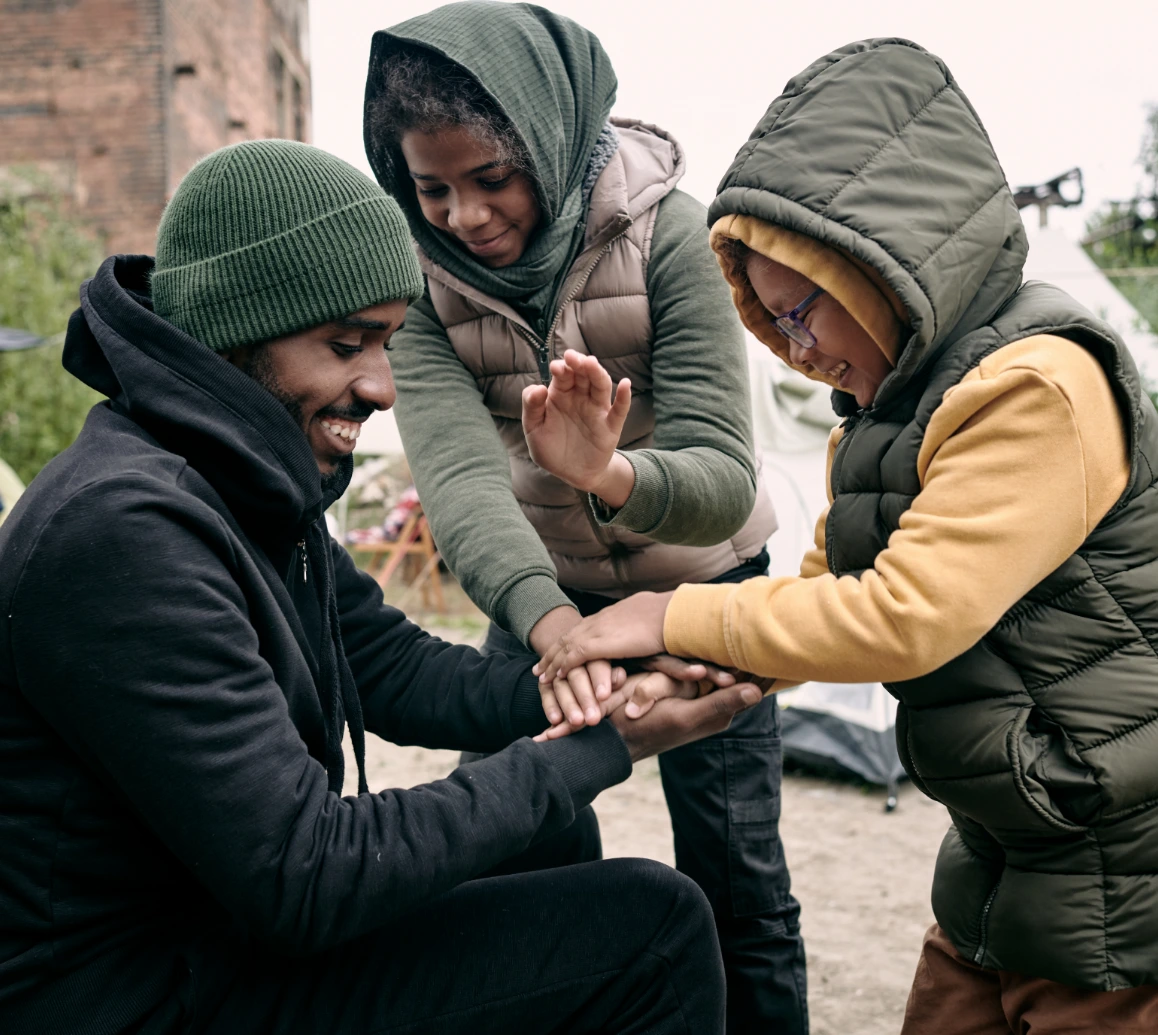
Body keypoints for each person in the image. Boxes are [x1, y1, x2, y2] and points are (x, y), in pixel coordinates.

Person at [0, 138, 766, 1035]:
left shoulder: (236, 484)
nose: (381, 385)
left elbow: (392, 668)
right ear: (234, 334)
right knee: (654, 929)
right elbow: (306, 874)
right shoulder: (124, 530)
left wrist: (591, 676)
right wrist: (606, 746)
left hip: (216, 936)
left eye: (388, 342)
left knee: (548, 837)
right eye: (344, 344)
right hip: (124, 994)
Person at [535, 38, 1158, 1034]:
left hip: (1121, 866)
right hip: (1012, 841)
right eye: (777, 318)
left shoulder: (1035, 387)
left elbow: (900, 618)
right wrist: (685, 668)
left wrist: (662, 607)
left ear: (894, 258)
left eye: (810, 304)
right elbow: (821, 594)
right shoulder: (885, 418)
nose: (800, 344)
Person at [363, 6, 805, 1029]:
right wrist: (556, 630)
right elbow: (463, 479)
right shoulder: (419, 285)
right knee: (517, 841)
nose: (463, 216)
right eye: (431, 188)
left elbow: (723, 480)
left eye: (490, 179)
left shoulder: (671, 233)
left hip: (705, 582)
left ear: (549, 142)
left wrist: (608, 473)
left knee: (736, 871)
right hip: (545, 588)